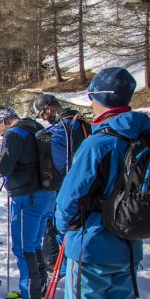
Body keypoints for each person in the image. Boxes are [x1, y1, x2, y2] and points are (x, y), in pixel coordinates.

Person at [45, 68, 147, 299]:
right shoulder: (146, 139)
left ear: (99, 98)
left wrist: (63, 231)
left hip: (90, 249)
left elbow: (68, 201)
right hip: (128, 250)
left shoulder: (99, 143)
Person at [0, 106, 56, 299]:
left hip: (27, 196)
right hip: (46, 193)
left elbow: (4, 167)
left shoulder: (14, 134)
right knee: (34, 244)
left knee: (23, 247)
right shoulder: (36, 127)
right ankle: (40, 288)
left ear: (4, 121)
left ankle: (30, 294)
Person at [32, 93, 91, 272]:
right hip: (86, 181)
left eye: (42, 114)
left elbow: (54, 152)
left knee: (61, 225)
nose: (43, 119)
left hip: (67, 184)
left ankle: (64, 266)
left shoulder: (64, 128)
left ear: (48, 109)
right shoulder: (80, 122)